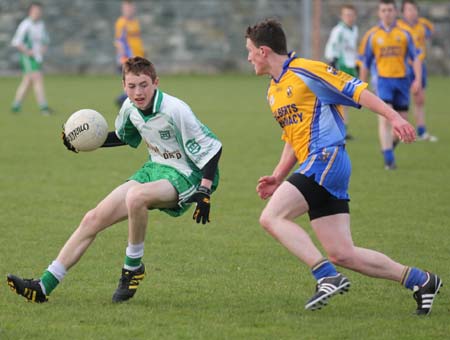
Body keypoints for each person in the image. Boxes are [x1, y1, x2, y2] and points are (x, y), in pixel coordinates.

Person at [245, 18, 441, 315]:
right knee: (342, 253)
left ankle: (325, 276)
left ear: (263, 51)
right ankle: (421, 280)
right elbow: (293, 137)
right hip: (319, 163)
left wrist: (394, 117)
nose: (247, 58)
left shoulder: (307, 70)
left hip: (325, 157)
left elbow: (356, 90)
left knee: (272, 217)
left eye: (249, 51)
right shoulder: (273, 91)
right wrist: (277, 176)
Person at [7, 56, 222, 303]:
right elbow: (123, 136)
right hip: (155, 169)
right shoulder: (130, 108)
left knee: (136, 196)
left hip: (188, 174)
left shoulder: (175, 110)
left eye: (143, 85)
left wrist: (204, 191)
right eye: (131, 86)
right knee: (92, 218)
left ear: (155, 82)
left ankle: (132, 268)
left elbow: (213, 148)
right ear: (124, 86)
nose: (138, 92)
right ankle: (43, 286)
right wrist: (79, 141)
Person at [359, 0, 421, 170]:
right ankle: (389, 160)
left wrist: (417, 79)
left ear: (395, 12)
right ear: (379, 13)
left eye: (390, 10)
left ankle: (388, 148)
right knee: (386, 119)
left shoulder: (404, 34)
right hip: (383, 81)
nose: (387, 13)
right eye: (384, 10)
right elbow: (365, 62)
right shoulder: (372, 35)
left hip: (402, 81)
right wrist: (361, 85)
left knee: (402, 121)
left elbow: (415, 58)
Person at [398, 0, 437, 142]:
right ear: (403, 12)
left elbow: (430, 33)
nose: (411, 12)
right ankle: (402, 133)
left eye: (414, 9)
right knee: (402, 101)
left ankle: (421, 131)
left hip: (420, 66)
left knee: (420, 99)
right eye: (408, 9)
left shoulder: (424, 25)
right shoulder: (399, 27)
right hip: (404, 67)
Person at [324, 4, 358, 140]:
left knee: (346, 103)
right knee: (338, 101)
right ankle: (336, 131)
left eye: (351, 15)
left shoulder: (354, 29)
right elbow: (332, 48)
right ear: (342, 16)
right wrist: (333, 66)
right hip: (340, 67)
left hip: (350, 67)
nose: (349, 17)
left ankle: (343, 130)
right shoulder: (338, 30)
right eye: (346, 15)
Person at [10, 2, 51, 115]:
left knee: (27, 82)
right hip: (28, 58)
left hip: (37, 58)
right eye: (35, 11)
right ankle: (44, 107)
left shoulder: (41, 24)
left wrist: (43, 49)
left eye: (39, 11)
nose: (37, 13)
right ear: (30, 12)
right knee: (38, 78)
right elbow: (17, 42)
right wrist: (28, 52)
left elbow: (45, 40)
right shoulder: (25, 25)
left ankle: (16, 105)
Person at [114, 0, 145, 107]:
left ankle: (124, 100)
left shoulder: (135, 22)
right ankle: (123, 100)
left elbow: (137, 40)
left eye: (131, 8)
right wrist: (122, 57)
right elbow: (119, 41)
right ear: (123, 9)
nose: (129, 11)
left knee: (137, 80)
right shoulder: (121, 23)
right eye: (127, 8)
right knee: (133, 81)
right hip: (128, 58)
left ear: (134, 9)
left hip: (138, 57)